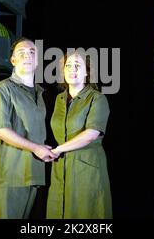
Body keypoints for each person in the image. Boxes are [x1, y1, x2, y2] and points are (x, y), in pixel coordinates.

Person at [0, 37, 58, 219]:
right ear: (13, 60)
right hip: (10, 175)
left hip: (34, 174)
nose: (28, 56)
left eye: (32, 52)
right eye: (22, 53)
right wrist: (36, 148)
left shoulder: (42, 93)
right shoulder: (3, 90)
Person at [46, 50, 112, 219]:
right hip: (60, 169)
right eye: (68, 66)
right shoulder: (59, 99)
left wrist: (58, 150)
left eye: (77, 66)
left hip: (87, 170)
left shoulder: (97, 99)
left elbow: (91, 134)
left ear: (87, 71)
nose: (71, 69)